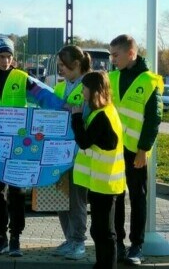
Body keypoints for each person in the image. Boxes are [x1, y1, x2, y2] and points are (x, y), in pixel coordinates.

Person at [0, 36, 65, 257]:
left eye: (9, 57)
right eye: (2, 56)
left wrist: (65, 107)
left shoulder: (23, 78)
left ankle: (15, 238)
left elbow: (44, 97)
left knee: (16, 193)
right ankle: (1, 236)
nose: (6, 61)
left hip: (19, 148)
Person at [109, 34, 164, 265]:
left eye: (115, 55)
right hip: (112, 150)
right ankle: (119, 244)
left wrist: (143, 149)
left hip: (136, 152)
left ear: (131, 53)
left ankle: (137, 247)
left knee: (138, 199)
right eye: (111, 55)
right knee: (117, 198)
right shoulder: (110, 77)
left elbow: (154, 119)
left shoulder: (150, 81)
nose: (112, 60)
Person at [71, 71, 126, 269]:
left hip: (106, 182)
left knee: (104, 231)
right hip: (102, 181)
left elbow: (84, 142)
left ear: (93, 90)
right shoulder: (104, 111)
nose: (82, 92)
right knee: (99, 230)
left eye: (84, 88)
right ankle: (101, 264)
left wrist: (76, 118)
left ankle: (107, 265)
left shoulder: (102, 115)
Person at [51, 45, 91, 260]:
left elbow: (90, 115)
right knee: (61, 197)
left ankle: (78, 241)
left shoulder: (89, 85)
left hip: (78, 152)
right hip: (57, 152)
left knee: (76, 199)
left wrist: (70, 109)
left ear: (76, 64)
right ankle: (69, 239)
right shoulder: (59, 87)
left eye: (62, 66)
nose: (60, 70)